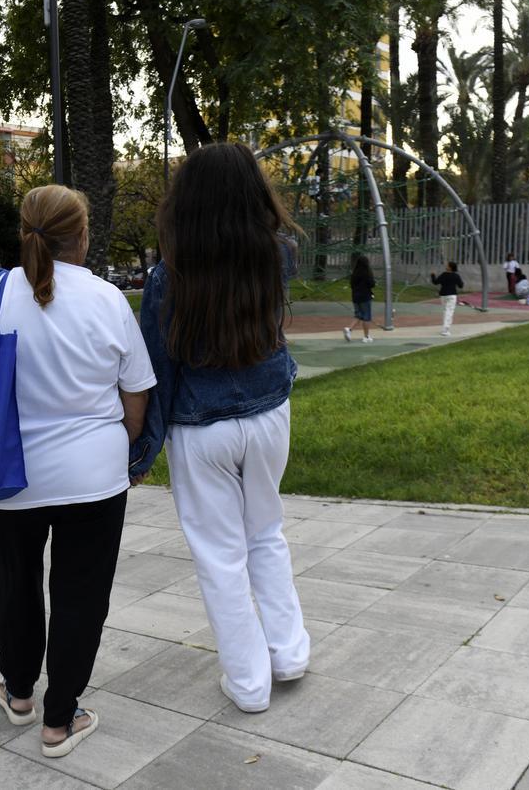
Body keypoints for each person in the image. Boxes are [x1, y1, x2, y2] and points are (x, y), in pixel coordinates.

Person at [0, 184, 154, 758]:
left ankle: (17, 695)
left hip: (7, 476)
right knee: (81, 595)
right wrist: (122, 440)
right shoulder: (108, 299)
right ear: (81, 237)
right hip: (93, 478)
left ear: (24, 234)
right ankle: (60, 720)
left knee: (16, 587)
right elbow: (137, 392)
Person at [129, 142, 310, 714]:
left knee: (220, 555)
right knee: (266, 533)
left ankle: (250, 683)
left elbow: (155, 368)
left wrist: (139, 453)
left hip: (201, 430)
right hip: (268, 415)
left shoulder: (167, 277)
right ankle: (289, 655)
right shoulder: (277, 255)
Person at [343, 254, 376, 343]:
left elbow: (352, 285)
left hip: (355, 296)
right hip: (365, 296)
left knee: (359, 315)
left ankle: (349, 329)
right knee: (366, 316)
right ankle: (366, 336)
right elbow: (372, 284)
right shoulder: (367, 273)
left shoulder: (354, 273)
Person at [430, 261, 464, 336]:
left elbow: (435, 282)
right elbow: (461, 285)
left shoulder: (443, 275)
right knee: (449, 312)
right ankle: (446, 329)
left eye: (447, 265)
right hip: (452, 295)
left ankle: (445, 328)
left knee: (445, 311)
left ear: (450, 267)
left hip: (443, 295)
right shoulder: (456, 276)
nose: (446, 265)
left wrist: (433, 275)